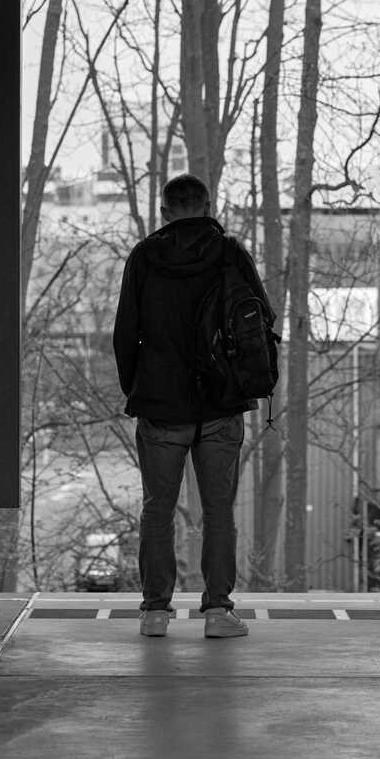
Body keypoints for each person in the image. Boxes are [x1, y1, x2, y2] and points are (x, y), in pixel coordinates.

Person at [112, 173, 273, 639]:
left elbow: (125, 332)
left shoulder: (144, 256)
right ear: (207, 206)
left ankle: (155, 613)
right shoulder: (230, 253)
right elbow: (259, 321)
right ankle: (218, 613)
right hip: (221, 406)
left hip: (161, 406)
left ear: (165, 212)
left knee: (157, 509)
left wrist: (138, 389)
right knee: (218, 511)